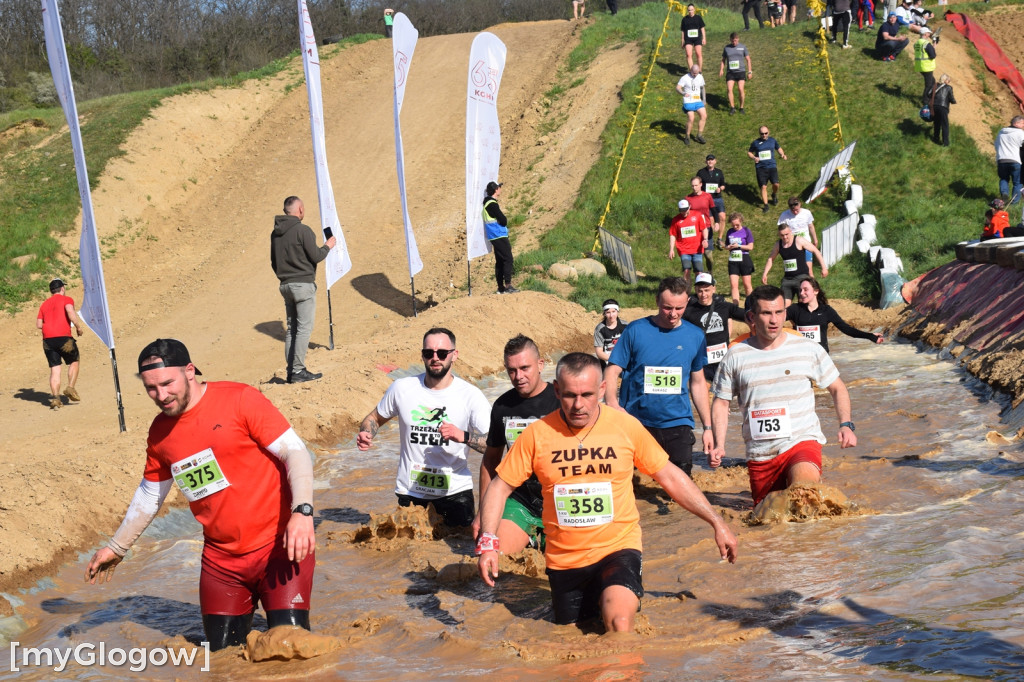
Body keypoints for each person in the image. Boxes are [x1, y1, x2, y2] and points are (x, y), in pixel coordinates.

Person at [477, 352, 737, 631]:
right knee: (570, 635)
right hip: (565, 559)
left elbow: (670, 477)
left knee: (619, 621)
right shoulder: (536, 435)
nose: (578, 405)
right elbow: (500, 486)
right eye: (569, 396)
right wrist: (488, 542)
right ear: (556, 390)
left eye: (587, 395)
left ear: (602, 390)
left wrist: (717, 522)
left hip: (618, 549)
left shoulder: (625, 427)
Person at [85, 339, 317, 650]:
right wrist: (117, 546)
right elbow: (150, 495)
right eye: (151, 388)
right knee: (221, 659)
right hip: (222, 563)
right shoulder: (160, 433)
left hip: (280, 548)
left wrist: (302, 513)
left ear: (190, 371)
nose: (161, 395)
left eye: (167, 383)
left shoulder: (240, 399)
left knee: (292, 649)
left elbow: (295, 452)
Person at [710, 286, 857, 507]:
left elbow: (837, 387)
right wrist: (719, 444)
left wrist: (846, 424)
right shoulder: (735, 355)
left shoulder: (807, 348)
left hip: (801, 441)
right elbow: (721, 402)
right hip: (761, 453)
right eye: (766, 313)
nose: (774, 320)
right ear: (751, 316)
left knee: (804, 494)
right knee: (769, 518)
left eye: (779, 312)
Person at [357, 328, 491, 527]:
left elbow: (493, 444)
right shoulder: (402, 388)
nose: (435, 358)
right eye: (429, 353)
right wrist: (367, 432)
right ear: (423, 356)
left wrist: (462, 436)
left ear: (454, 355)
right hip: (410, 492)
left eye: (442, 353)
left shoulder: (471, 395)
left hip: (455, 494)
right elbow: (374, 418)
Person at [604, 277, 713, 475]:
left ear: (687, 302)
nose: (673, 314)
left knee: (680, 486)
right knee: (633, 487)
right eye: (667, 308)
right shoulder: (635, 330)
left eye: (679, 308)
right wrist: (612, 404)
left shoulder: (696, 335)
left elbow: (698, 383)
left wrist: (708, 427)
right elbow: (612, 370)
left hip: (678, 423)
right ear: (657, 301)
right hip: (637, 422)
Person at [474, 335, 559, 555]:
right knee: (496, 558)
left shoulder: (561, 401)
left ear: (540, 365)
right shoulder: (503, 406)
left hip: (558, 500)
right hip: (519, 498)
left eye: (524, 368)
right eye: (511, 370)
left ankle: (537, 541)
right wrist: (482, 514)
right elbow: (490, 461)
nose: (518, 376)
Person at [271, 196, 337, 384]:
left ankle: (292, 371)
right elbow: (316, 256)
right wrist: (328, 246)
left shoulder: (275, 234)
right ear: (299, 209)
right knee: (303, 329)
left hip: (285, 285)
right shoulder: (303, 230)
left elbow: (273, 262)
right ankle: (298, 371)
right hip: (303, 285)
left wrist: (285, 276)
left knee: (292, 328)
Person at [787, 277, 884, 352]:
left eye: (805, 289)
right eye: (800, 290)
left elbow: (847, 329)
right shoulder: (795, 309)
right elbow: (775, 320)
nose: (801, 293)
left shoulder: (826, 311)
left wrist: (870, 336)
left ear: (816, 291)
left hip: (821, 357)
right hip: (801, 357)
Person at [684, 273, 746, 383]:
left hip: (723, 362)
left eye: (707, 290)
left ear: (713, 289)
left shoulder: (724, 307)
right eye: (700, 291)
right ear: (695, 290)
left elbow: (748, 315)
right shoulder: (688, 311)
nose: (703, 294)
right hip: (702, 363)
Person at [36, 278, 86, 410]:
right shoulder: (66, 299)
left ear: (51, 291)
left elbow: (39, 325)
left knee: (55, 369)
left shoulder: (44, 304)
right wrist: (78, 327)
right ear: (62, 288)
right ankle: (70, 388)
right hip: (64, 337)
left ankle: (56, 399)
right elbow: (70, 311)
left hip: (48, 341)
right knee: (74, 361)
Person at [762, 223, 828, 306]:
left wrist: (824, 268)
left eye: (787, 234)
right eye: (782, 235)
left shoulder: (799, 240)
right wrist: (765, 273)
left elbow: (816, 251)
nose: (785, 237)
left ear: (791, 231)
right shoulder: (778, 245)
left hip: (802, 278)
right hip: (787, 279)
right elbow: (771, 259)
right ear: (779, 235)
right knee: (784, 306)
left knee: (803, 305)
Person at [482, 181, 518, 294]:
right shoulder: (492, 204)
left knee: (500, 261)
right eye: (499, 187)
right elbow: (503, 220)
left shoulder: (487, 203)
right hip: (498, 235)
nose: (500, 189)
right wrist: (502, 220)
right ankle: (508, 286)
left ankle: (500, 288)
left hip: (494, 235)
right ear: (496, 190)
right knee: (508, 258)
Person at [668, 199, 710, 290]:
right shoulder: (676, 220)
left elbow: (704, 229)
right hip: (684, 250)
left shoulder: (697, 215)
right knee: (686, 270)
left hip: (697, 249)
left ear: (689, 207)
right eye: (681, 210)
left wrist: (705, 239)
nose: (684, 212)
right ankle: (687, 293)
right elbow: (672, 235)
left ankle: (699, 292)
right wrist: (671, 249)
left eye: (686, 210)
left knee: (698, 272)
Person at [777, 197, 819, 278]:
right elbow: (780, 230)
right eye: (793, 211)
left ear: (800, 205)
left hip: (806, 243)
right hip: (793, 246)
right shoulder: (784, 216)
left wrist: (815, 239)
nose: (795, 212)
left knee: (809, 270)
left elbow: (811, 226)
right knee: (795, 271)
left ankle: (813, 287)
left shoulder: (807, 213)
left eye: (797, 210)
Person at [748, 126, 788, 213]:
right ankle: (766, 205)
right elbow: (749, 152)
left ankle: (774, 194)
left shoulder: (772, 140)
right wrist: (754, 157)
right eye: (762, 134)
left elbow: (778, 148)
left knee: (776, 184)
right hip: (760, 168)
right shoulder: (756, 143)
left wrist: (782, 154)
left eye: (766, 133)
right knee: (763, 186)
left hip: (772, 166)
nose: (764, 135)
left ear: (768, 132)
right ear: (759, 134)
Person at [723, 212, 756, 303]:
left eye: (737, 225)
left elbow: (750, 247)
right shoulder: (729, 231)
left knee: (747, 284)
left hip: (744, 258)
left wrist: (739, 246)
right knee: (734, 285)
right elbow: (726, 245)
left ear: (741, 221)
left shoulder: (746, 230)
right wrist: (728, 247)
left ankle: (750, 305)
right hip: (733, 260)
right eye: (733, 225)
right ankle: (735, 306)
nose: (735, 227)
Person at [687, 176, 718, 269]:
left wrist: (717, 222)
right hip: (694, 229)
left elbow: (713, 209)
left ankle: (710, 272)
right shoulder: (688, 198)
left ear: (701, 184)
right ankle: (699, 274)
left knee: (708, 254)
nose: (694, 187)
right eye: (692, 186)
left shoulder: (707, 196)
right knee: (697, 254)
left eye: (696, 185)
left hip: (707, 226)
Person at [994, 116, 1024, 204]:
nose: (1023, 125)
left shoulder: (1001, 132)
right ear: (1016, 123)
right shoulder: (1020, 133)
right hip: (1015, 160)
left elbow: (996, 145)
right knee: (1018, 182)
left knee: (1004, 178)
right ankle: (1014, 203)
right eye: (1022, 123)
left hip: (1001, 159)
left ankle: (1004, 194)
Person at [721, 33, 753, 115]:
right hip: (730, 72)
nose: (734, 42)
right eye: (732, 41)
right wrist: (721, 69)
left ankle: (741, 107)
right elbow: (723, 59)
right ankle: (732, 108)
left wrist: (749, 71)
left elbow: (748, 59)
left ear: (738, 39)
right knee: (729, 89)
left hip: (740, 71)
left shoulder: (743, 47)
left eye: (735, 40)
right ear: (730, 40)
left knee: (740, 89)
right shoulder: (727, 48)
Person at [697, 155, 727, 239]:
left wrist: (720, 188)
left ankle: (720, 238)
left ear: (715, 161)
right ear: (706, 162)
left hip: (717, 198)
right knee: (710, 220)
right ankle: (710, 238)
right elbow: (698, 184)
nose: (710, 161)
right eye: (708, 160)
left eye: (712, 160)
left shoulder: (719, 172)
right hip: (706, 199)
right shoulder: (701, 172)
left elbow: (723, 184)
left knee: (722, 217)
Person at [675, 64, 707, 145]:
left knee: (704, 116)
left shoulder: (700, 76)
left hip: (697, 100)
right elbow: (677, 88)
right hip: (688, 100)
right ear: (690, 71)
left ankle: (699, 135)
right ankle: (687, 136)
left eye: (697, 73)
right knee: (691, 118)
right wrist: (683, 93)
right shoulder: (685, 78)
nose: (695, 75)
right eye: (694, 73)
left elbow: (702, 88)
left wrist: (704, 99)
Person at [594, 299, 628, 369]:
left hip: (624, 360)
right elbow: (599, 352)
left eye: (613, 311)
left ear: (617, 311)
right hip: (607, 361)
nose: (611, 315)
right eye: (608, 312)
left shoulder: (625, 326)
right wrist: (615, 360)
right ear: (604, 313)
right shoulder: (600, 329)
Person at [926, 73, 955, 147]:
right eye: (948, 80)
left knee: (937, 123)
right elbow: (951, 98)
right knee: (945, 124)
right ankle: (945, 143)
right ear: (945, 80)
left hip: (934, 106)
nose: (949, 82)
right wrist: (954, 101)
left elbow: (928, 94)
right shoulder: (949, 88)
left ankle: (936, 138)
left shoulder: (935, 85)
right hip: (943, 107)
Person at [913, 26, 937, 101]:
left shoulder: (917, 43)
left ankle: (930, 97)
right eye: (928, 33)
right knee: (928, 85)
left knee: (932, 82)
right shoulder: (926, 44)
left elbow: (923, 52)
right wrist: (934, 47)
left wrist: (933, 46)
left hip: (919, 66)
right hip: (926, 67)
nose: (929, 34)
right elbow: (933, 55)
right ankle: (925, 101)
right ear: (925, 34)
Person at [681, 4, 706, 71]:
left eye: (692, 10)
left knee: (698, 54)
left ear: (694, 9)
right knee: (689, 54)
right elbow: (683, 31)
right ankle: (692, 71)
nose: (690, 11)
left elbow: (702, 28)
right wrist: (682, 40)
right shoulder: (684, 19)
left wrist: (704, 38)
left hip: (697, 38)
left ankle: (699, 70)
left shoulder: (698, 18)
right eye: (689, 10)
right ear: (687, 10)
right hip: (688, 39)